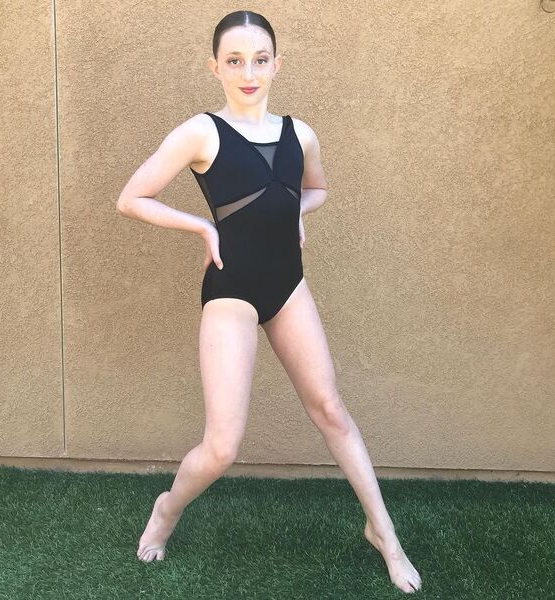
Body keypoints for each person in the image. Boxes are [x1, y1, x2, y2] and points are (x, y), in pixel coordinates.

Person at [116, 10, 422, 594]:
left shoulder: (300, 134)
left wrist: (294, 212)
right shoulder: (201, 132)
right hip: (230, 288)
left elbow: (317, 189)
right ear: (215, 67)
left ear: (277, 64)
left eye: (259, 60)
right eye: (234, 61)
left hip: (288, 284)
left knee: (330, 409)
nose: (249, 73)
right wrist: (202, 228)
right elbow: (132, 198)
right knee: (222, 446)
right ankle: (167, 508)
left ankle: (384, 533)